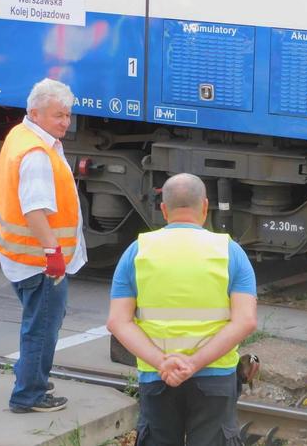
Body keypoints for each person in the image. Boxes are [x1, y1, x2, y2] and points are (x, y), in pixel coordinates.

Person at [107, 173, 257, 446]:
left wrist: (162, 362)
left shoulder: (137, 251)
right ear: (205, 206)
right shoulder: (230, 252)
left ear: (164, 209)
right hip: (215, 374)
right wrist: (194, 363)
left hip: (158, 374)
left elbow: (118, 322)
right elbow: (245, 321)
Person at [0, 78, 87, 413]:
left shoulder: (22, 135)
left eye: (68, 115)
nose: (66, 122)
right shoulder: (36, 155)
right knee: (42, 329)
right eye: (58, 115)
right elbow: (34, 210)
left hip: (20, 256)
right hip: (40, 263)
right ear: (35, 112)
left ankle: (31, 377)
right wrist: (53, 253)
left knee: (37, 323)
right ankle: (28, 395)